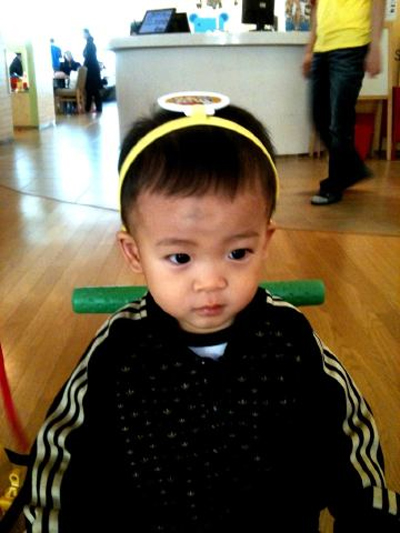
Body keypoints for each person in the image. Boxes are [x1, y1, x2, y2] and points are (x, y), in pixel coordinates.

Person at [23, 94, 399, 532]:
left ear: (265, 241)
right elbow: (63, 463)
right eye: (180, 257)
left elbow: (349, 439)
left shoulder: (290, 337)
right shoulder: (117, 351)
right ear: (135, 253)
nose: (210, 282)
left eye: (238, 252)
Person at [302, 0, 385, 205]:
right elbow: (316, 7)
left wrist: (375, 46)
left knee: (339, 121)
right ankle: (352, 169)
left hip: (352, 44)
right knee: (319, 116)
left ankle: (335, 184)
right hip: (322, 47)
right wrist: (309, 49)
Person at [82, 28, 103, 113]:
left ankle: (91, 108)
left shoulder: (90, 44)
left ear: (87, 33)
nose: (82, 35)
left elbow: (89, 57)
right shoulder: (89, 43)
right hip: (92, 68)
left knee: (92, 89)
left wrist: (83, 66)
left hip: (92, 69)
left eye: (83, 33)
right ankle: (91, 108)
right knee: (92, 90)